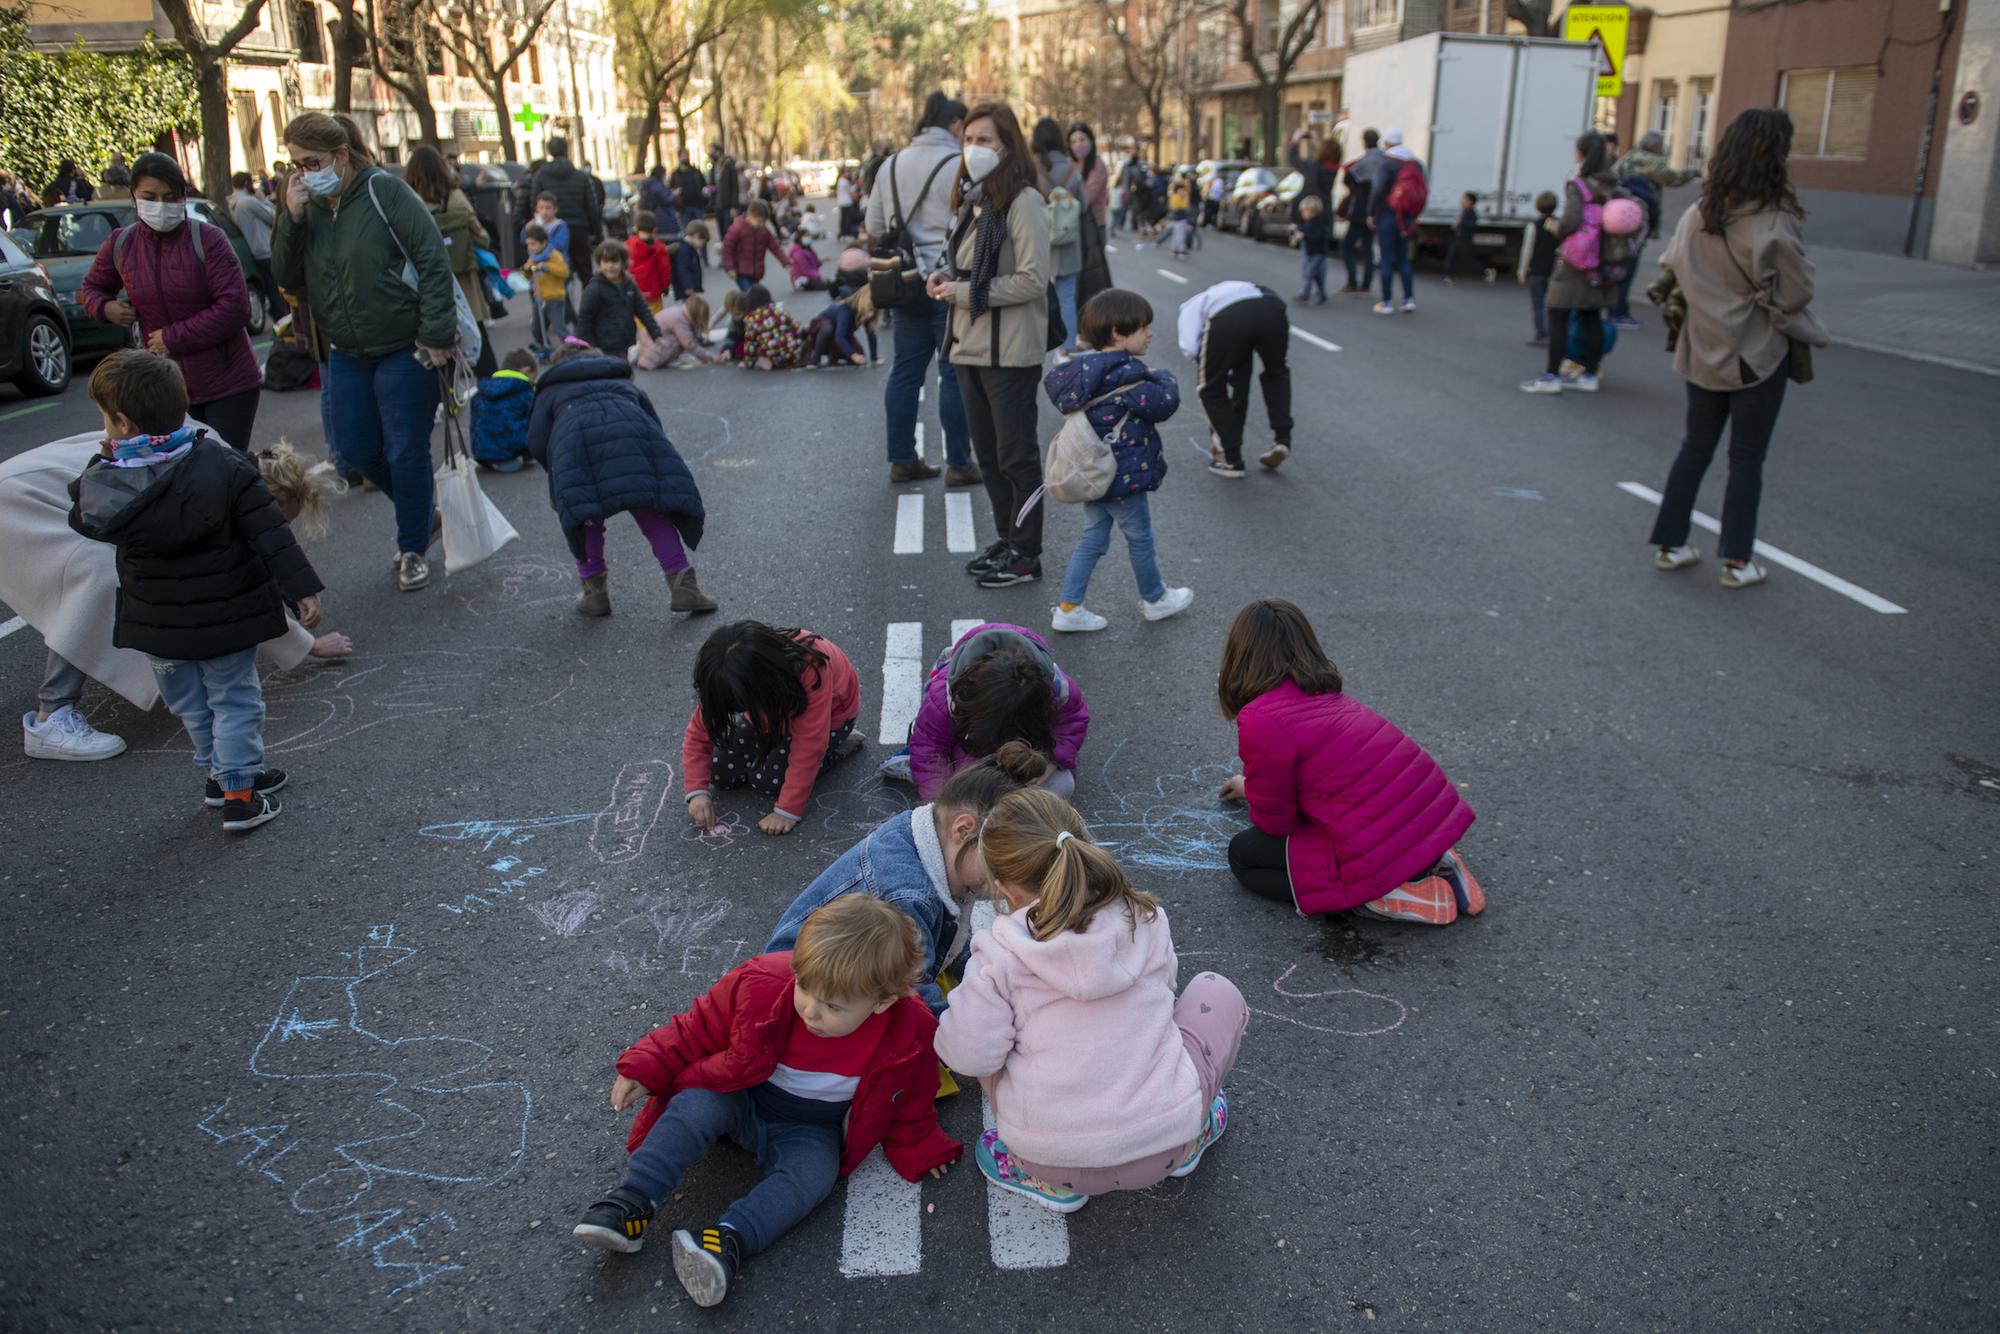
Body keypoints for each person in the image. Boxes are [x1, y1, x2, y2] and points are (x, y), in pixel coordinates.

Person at [573, 895, 960, 1307]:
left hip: (810, 1129)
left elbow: (912, 1095)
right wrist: (646, 1065)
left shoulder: (910, 1028)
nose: (811, 1011)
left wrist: (920, 1145)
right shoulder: (763, 982)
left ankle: (727, 1242)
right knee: (693, 1105)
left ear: (882, 1002)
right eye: (805, 988)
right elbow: (697, 1028)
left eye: (833, 1006)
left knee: (815, 1176)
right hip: (742, 1096)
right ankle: (632, 1200)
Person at [934, 788, 1244, 1213]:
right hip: (1167, 1140)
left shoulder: (1001, 953)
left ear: (1004, 888)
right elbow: (1167, 995)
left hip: (1048, 1157)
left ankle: (1040, 1181)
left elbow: (968, 1057)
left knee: (990, 1039)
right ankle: (1195, 1135)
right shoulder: (1143, 915)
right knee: (1215, 990)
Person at [66, 352, 322, 832]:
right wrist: (301, 588)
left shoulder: (114, 480)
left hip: (159, 625)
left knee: (192, 704)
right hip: (228, 618)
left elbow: (84, 520)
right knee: (234, 701)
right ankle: (239, 795)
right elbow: (269, 532)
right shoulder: (222, 463)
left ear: (120, 422)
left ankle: (221, 776)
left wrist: (100, 464)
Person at [7, 427, 343, 763]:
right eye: (279, 520)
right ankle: (52, 715)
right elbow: (236, 578)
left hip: (30, 488)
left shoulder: (210, 451)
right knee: (101, 580)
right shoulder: (217, 474)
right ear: (267, 496)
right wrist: (306, 644)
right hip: (22, 502)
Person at [274, 112, 458, 592]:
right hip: (347, 349)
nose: (303, 173)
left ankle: (412, 546)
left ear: (340, 155)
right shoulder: (306, 205)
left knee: (403, 449)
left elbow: (432, 259)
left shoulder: (384, 190)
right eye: (294, 164)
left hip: (404, 346)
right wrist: (291, 219)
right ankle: (424, 515)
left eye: (312, 162)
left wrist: (437, 334)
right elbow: (287, 277)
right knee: (355, 450)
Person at [1216, 598, 1484, 925]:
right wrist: (1250, 787)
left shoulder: (1261, 718)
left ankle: (1387, 896)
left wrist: (1256, 795)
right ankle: (1436, 863)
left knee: (1243, 856)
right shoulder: (1325, 694)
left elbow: (1277, 823)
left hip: (1378, 845)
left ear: (1240, 658)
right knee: (1328, 832)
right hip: (1426, 824)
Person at [1647, 107, 1827, 591]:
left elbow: (1672, 264)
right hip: (1755, 352)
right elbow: (1796, 294)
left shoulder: (1698, 212)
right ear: (1777, 156)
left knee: (1694, 449)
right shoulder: (1774, 221)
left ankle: (1670, 545)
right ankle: (1738, 562)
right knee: (1747, 458)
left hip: (1701, 346)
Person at [766, 742, 1052, 1016]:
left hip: (834, 986)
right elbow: (917, 1002)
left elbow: (950, 938)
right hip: (812, 998)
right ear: (964, 830)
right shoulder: (910, 897)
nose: (1002, 882)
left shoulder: (927, 836)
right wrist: (971, 1043)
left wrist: (993, 977)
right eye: (1000, 865)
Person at [933, 103, 1052, 589]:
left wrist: (960, 292)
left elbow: (1032, 280)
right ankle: (1008, 538)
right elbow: (964, 265)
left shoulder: (1023, 202)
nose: (975, 149)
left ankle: (1027, 554)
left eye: (986, 140)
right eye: (970, 139)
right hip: (969, 347)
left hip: (1009, 352)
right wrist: (944, 279)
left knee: (1016, 457)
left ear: (1009, 145)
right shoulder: (975, 201)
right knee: (988, 456)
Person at [78, 152, 264, 454]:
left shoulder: (209, 239)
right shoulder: (121, 244)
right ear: (134, 196)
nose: (161, 205)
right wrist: (105, 307)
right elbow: (91, 288)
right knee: (177, 474)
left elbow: (235, 307)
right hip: (162, 391)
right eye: (150, 197)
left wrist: (172, 337)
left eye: (170, 196)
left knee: (224, 467)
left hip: (228, 383)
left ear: (183, 196)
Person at [525, 342, 713, 617]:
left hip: (577, 453)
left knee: (587, 521)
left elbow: (536, 439)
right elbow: (652, 422)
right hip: (634, 446)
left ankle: (595, 594)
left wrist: (556, 471)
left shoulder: (552, 389)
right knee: (653, 515)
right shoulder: (622, 382)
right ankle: (684, 588)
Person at [1043, 289, 1192, 633]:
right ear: (1117, 332)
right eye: (1143, 327)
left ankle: (1069, 606)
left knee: (1093, 538)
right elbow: (1163, 403)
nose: (1150, 333)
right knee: (1140, 537)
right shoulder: (1127, 372)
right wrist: (1163, 376)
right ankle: (1155, 599)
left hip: (1095, 472)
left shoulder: (1084, 370)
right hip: (1120, 475)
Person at [867, 91, 979, 488]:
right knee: (953, 374)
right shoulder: (959, 164)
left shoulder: (891, 165)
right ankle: (960, 464)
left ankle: (902, 459)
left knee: (904, 373)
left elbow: (876, 226)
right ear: (954, 125)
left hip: (904, 283)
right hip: (950, 281)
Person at [683, 622, 863, 836]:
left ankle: (838, 747)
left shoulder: (809, 667)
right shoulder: (728, 674)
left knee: (767, 781)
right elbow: (698, 734)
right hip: (769, 717)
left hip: (831, 720)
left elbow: (809, 744)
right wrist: (697, 793)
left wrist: (787, 811)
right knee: (719, 772)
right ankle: (773, 745)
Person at [889, 621, 1088, 801]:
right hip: (971, 744)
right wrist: (943, 803)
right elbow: (929, 751)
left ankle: (1011, 808)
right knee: (973, 791)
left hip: (1019, 744)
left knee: (1060, 785)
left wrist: (1050, 760)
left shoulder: (1055, 687)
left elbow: (1073, 722)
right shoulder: (945, 698)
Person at [1519, 131, 1620, 395]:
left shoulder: (1580, 184)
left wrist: (1557, 227)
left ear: (1581, 154)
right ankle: (1590, 374)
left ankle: (1552, 375)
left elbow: (1572, 221)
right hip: (1605, 256)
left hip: (1578, 259)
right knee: (1591, 315)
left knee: (1557, 312)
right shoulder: (1612, 184)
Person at [1179, 279, 1291, 477]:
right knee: (1275, 373)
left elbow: (1191, 349)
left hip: (1230, 316)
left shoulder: (1190, 309)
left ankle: (1231, 459)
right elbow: (1238, 379)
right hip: (1272, 306)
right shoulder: (1220, 292)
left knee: (1210, 389)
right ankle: (1282, 440)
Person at [405, 145, 494, 377]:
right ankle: (493, 391)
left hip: (426, 284)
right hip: (462, 277)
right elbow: (480, 235)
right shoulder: (455, 197)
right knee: (478, 336)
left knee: (435, 345)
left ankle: (447, 394)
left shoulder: (407, 201)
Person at [1610, 129, 1701, 329]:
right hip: (1641, 219)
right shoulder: (1653, 162)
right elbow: (1673, 179)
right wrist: (1694, 172)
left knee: (1620, 262)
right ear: (1654, 146)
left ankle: (1612, 306)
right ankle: (1619, 311)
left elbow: (1613, 176)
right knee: (1630, 265)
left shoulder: (1628, 158)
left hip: (1621, 216)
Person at [1031, 117, 1084, 356]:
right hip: (1068, 242)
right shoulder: (1072, 168)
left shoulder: (1030, 168)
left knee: (1034, 297)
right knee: (1066, 298)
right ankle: (1067, 347)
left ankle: (1036, 343)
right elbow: (1082, 206)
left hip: (1038, 242)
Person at [577, 240, 663, 362]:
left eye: (614, 262)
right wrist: (589, 347)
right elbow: (584, 320)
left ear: (623, 263)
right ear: (599, 263)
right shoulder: (594, 289)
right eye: (605, 262)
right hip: (603, 347)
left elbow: (642, 310)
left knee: (623, 375)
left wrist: (655, 333)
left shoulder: (629, 285)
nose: (610, 266)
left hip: (625, 342)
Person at [526, 136, 600, 277]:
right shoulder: (580, 176)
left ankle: (561, 298)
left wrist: (537, 226)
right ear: (566, 150)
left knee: (554, 270)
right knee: (585, 272)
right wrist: (596, 232)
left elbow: (533, 203)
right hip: (578, 228)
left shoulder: (540, 176)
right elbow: (592, 207)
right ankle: (588, 297)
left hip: (551, 231)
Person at [1372, 128, 1424, 314]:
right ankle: (1408, 299)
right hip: (1407, 218)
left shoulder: (1387, 163)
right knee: (1403, 259)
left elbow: (1378, 191)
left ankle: (1386, 302)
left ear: (1386, 143)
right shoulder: (1415, 163)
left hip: (1387, 216)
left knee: (1386, 259)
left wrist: (1371, 213)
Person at [470, 348, 537, 472]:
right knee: (534, 419)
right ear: (526, 370)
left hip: (481, 454)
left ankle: (490, 460)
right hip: (506, 455)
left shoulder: (482, 391)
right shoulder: (524, 392)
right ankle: (525, 456)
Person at [227, 172, 278, 321]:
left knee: (270, 289)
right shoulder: (249, 201)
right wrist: (265, 200)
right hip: (264, 249)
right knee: (275, 290)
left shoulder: (233, 203)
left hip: (253, 250)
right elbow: (273, 216)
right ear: (246, 183)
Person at [1338, 129, 1381, 293]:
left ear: (1364, 142)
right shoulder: (1383, 160)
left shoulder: (1364, 162)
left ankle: (1352, 281)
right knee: (1367, 247)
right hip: (1376, 208)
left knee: (1347, 246)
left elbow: (1348, 177)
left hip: (1360, 208)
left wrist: (1354, 190)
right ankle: (1366, 283)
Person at [522, 222, 571, 358]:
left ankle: (572, 349)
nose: (530, 247)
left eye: (533, 244)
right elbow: (527, 274)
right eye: (528, 244)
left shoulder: (554, 256)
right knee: (537, 329)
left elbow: (564, 272)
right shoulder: (533, 258)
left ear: (543, 243)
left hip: (555, 298)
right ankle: (546, 349)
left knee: (559, 327)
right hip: (540, 298)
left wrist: (547, 267)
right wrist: (526, 271)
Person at [1517, 190, 1560, 345]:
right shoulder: (1558, 225)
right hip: (1554, 269)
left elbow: (1527, 249)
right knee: (1552, 304)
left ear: (1537, 206)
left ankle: (1541, 332)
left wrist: (1522, 270)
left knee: (1538, 303)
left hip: (1536, 269)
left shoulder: (1533, 226)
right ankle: (1552, 332)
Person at [732, 284, 807, 369]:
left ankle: (767, 360)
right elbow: (798, 328)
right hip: (793, 354)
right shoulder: (779, 311)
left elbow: (751, 345)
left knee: (758, 343)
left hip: (773, 354)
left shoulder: (752, 318)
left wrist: (747, 363)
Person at [634, 294, 717, 369]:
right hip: (654, 356)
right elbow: (689, 344)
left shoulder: (680, 313)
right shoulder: (679, 319)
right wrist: (711, 357)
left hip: (650, 350)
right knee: (683, 341)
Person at [721, 199, 786, 292]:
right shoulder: (738, 228)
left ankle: (737, 305)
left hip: (756, 272)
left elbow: (775, 247)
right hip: (740, 271)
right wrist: (730, 268)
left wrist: (785, 261)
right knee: (750, 295)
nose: (762, 224)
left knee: (754, 296)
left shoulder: (764, 231)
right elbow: (727, 249)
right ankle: (734, 305)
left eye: (764, 222)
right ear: (750, 216)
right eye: (759, 221)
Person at [804, 288, 876, 366]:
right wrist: (853, 355)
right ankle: (815, 358)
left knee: (860, 356)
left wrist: (874, 358)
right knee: (828, 329)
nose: (871, 311)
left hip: (839, 332)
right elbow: (839, 336)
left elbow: (871, 334)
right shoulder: (846, 310)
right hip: (819, 331)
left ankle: (834, 355)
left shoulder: (866, 312)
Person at [627, 210, 673, 311]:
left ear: (636, 228)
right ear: (654, 229)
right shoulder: (659, 248)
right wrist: (665, 287)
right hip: (653, 291)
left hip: (634, 290)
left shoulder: (629, 245)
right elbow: (664, 269)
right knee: (656, 318)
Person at [1291, 195, 1331, 303]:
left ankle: (1305, 293)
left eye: (1305, 212)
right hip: (1311, 252)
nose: (1303, 214)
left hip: (1318, 253)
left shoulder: (1318, 223)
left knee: (1309, 273)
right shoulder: (1308, 223)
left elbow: (1316, 236)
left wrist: (1304, 236)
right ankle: (1321, 293)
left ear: (1312, 211)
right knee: (1315, 275)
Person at [1443, 190, 1479, 284]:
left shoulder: (1472, 213)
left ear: (1470, 202)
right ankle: (1450, 276)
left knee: (1466, 258)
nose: (1462, 201)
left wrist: (1460, 223)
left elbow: (1472, 225)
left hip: (1464, 239)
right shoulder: (1464, 211)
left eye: (1465, 199)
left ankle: (1483, 272)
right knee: (1452, 258)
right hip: (1459, 238)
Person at [671, 220, 709, 299]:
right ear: (696, 236)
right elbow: (683, 269)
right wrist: (688, 286)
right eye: (703, 242)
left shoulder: (689, 248)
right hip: (686, 288)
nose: (702, 246)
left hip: (689, 287)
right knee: (690, 308)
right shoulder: (685, 249)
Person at [671, 149, 708, 222]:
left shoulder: (696, 171)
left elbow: (704, 185)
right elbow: (671, 189)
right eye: (683, 156)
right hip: (683, 207)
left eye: (687, 155)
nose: (686, 158)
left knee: (700, 227)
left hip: (697, 205)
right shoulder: (675, 174)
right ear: (679, 158)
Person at [709, 144, 740, 230]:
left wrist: (734, 206)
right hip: (717, 205)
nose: (711, 154)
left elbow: (735, 187)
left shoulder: (729, 166)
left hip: (728, 205)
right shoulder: (713, 167)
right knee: (721, 230)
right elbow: (712, 185)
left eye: (712, 151)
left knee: (728, 230)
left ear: (719, 152)